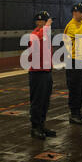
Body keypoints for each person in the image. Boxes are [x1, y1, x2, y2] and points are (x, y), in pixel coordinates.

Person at [28, 11, 56, 140]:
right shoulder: (34, 35)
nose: (47, 24)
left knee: (45, 101)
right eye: (45, 22)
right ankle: (35, 127)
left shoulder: (45, 34)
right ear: (39, 22)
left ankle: (41, 125)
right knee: (37, 101)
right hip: (37, 73)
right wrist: (46, 28)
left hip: (46, 72)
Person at [64, 3, 82, 125]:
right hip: (74, 61)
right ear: (74, 13)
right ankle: (74, 114)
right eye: (79, 12)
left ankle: (79, 111)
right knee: (75, 88)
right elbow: (80, 35)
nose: (80, 14)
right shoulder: (71, 26)